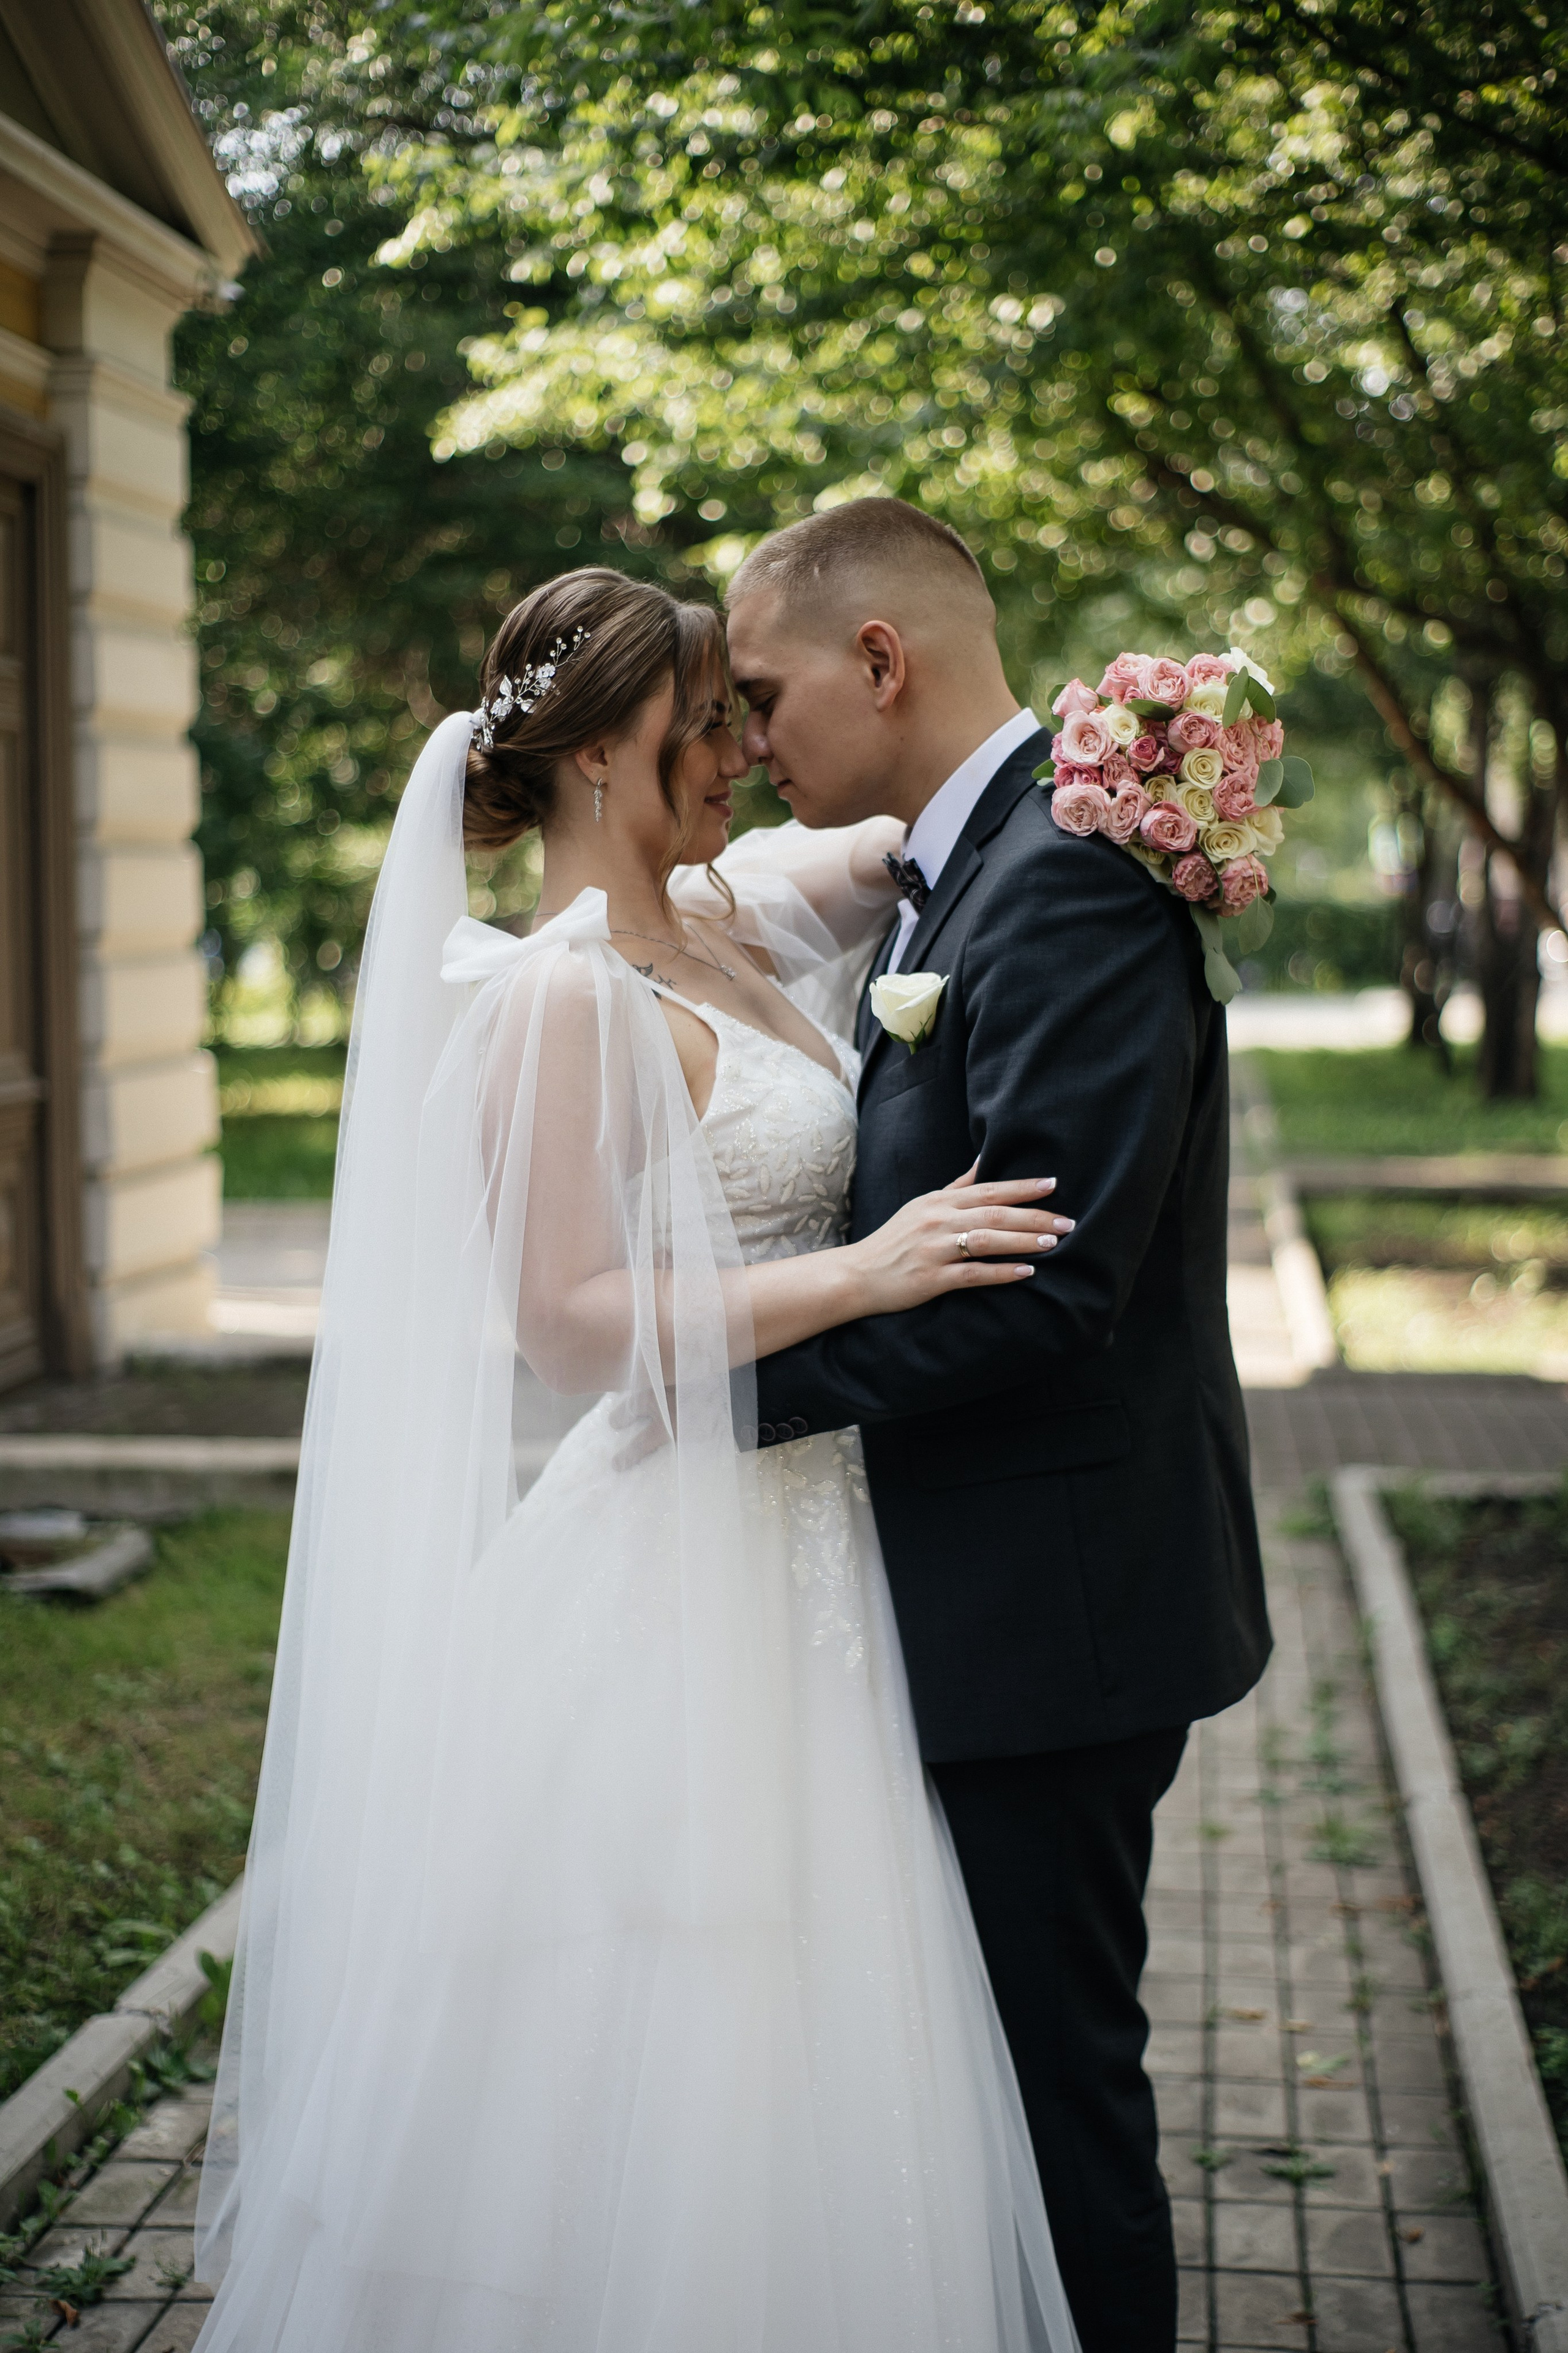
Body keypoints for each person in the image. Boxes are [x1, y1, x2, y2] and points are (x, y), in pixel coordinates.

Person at [191, 565, 1084, 2352]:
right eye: (713, 722)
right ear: (604, 750)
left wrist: (1149, 769)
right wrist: (864, 1268)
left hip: (828, 1535)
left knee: (843, 2020)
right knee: (669, 2012)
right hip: (670, 1564)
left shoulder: (738, 909)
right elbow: (574, 1322)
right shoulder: (554, 999)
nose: (749, 754)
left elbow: (958, 823)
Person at [726, 497, 1272, 2353]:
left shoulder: (1065, 880)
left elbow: (1049, 1286)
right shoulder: (976, 872)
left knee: (1055, 2103)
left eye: (761, 691)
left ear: (880, 660)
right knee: (982, 2086)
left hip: (1055, 1620)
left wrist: (734, 1387)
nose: (747, 741)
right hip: (996, 1598)